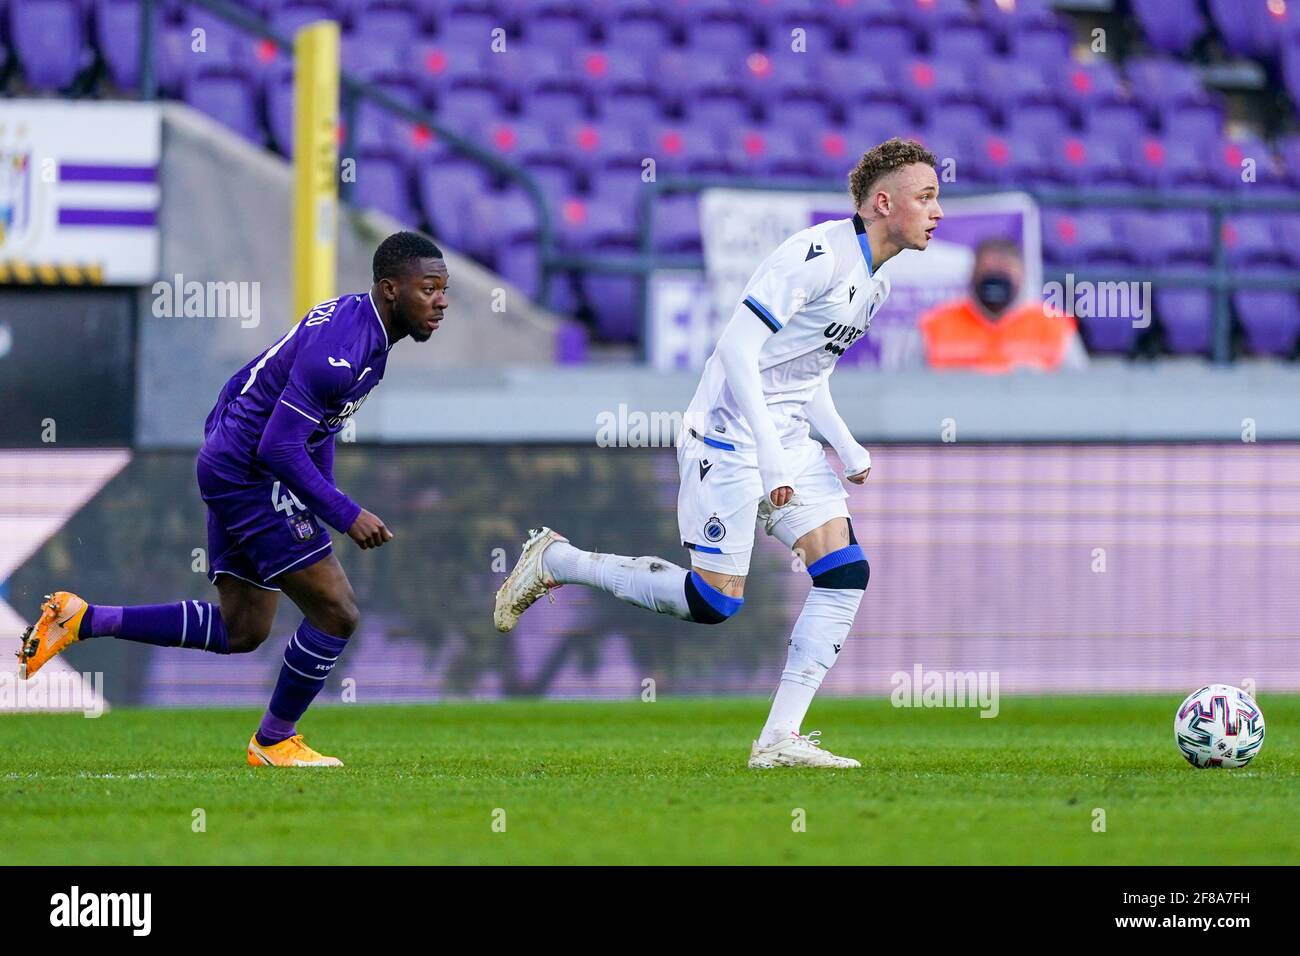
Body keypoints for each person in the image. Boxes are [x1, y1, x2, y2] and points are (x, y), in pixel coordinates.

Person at [495, 139, 943, 769]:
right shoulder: (815, 255)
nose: (937, 211)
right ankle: (559, 560)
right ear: (882, 202)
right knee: (715, 602)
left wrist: (844, 444)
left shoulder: (876, 285)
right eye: (926, 197)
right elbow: (736, 350)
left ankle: (778, 740)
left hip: (784, 438)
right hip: (730, 436)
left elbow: (802, 377)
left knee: (844, 572)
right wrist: (770, 457)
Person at [17, 231, 449, 768]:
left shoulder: (369, 333)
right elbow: (280, 445)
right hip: (250, 473)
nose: (441, 301)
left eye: (444, 290)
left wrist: (310, 489)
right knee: (337, 612)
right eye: (429, 289)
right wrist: (344, 513)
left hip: (233, 462)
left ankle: (82, 619)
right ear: (390, 289)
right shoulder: (343, 348)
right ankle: (273, 742)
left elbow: (309, 421)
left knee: (242, 630)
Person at [918, 238, 1087, 372]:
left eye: (1004, 272)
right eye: (988, 272)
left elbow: (1076, 390)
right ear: (972, 274)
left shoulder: (1055, 325)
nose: (995, 281)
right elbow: (910, 389)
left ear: (1022, 275)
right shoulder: (935, 324)